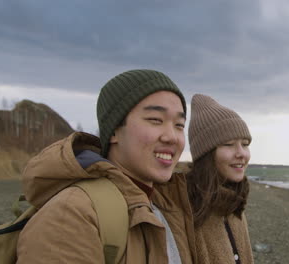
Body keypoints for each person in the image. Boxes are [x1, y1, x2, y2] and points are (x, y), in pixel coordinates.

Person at [16, 70, 196, 263]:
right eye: (155, 120)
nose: (171, 137)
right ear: (114, 132)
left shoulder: (167, 207)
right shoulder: (71, 214)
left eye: (179, 125)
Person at [186, 94, 254, 264]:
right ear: (206, 154)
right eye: (229, 144)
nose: (241, 154)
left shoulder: (234, 203)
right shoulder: (187, 209)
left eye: (245, 144)